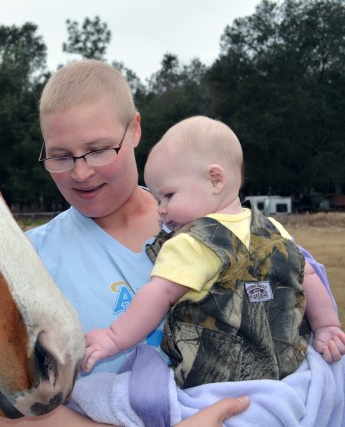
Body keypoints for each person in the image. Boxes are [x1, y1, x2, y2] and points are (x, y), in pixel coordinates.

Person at [0, 60, 343, 426]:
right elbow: (11, 410)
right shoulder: (25, 261)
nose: (80, 172)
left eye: (98, 149)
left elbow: (307, 324)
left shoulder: (221, 226)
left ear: (135, 130)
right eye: (60, 156)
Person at [82, 116, 345, 388]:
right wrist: (327, 326)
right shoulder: (274, 230)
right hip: (289, 376)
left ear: (215, 180)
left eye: (169, 196)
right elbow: (308, 275)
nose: (160, 209)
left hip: (216, 385)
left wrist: (114, 337)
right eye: (157, 200)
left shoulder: (190, 243)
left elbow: (156, 295)